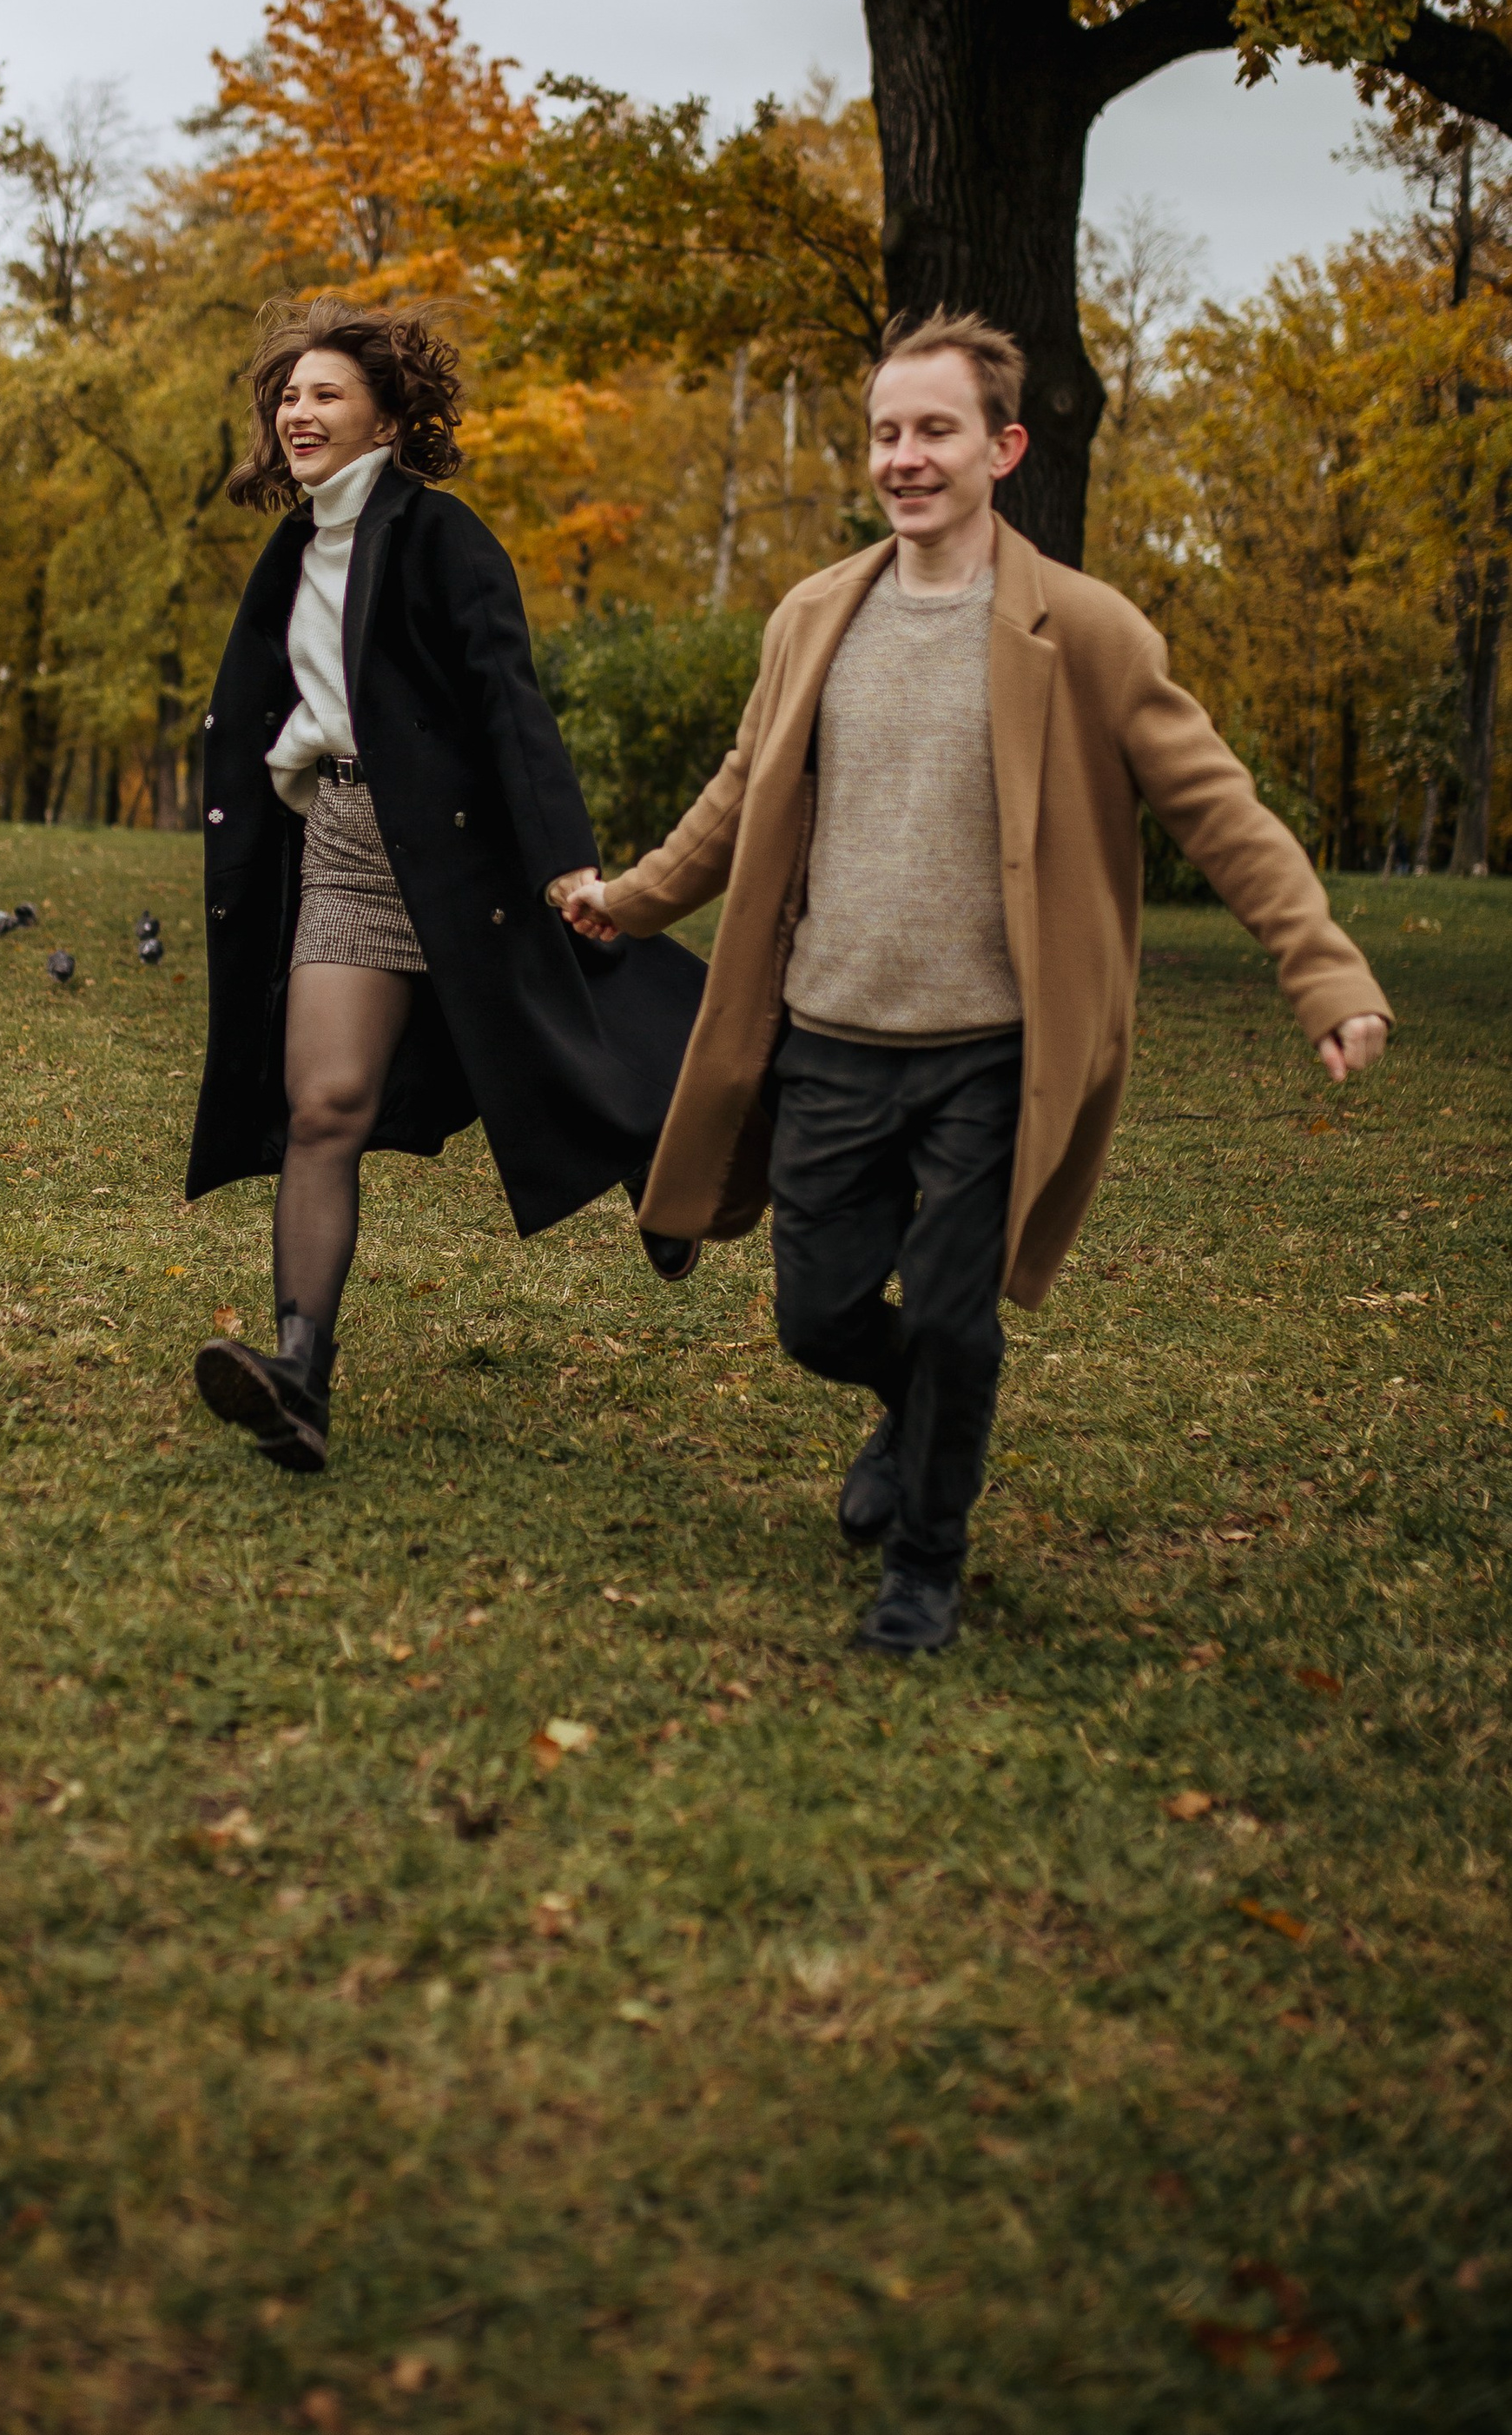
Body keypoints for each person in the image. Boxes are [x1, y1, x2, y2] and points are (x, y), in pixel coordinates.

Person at [559, 308, 1391, 1658]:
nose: (904, 456)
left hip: (994, 1053)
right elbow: (742, 794)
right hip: (829, 1034)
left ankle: (925, 1567)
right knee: (817, 1313)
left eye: (934, 430)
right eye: (886, 432)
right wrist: (634, 895)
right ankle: (910, 1405)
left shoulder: (1092, 632)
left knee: (955, 1314)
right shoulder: (814, 615)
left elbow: (1220, 811)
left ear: (1002, 448)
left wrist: (1326, 972)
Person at [187, 294, 707, 1472]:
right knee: (322, 1107)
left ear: (388, 412)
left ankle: (659, 1175)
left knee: (569, 1028)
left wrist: (564, 855)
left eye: (324, 390)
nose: (297, 408)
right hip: (352, 847)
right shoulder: (292, 550)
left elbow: (507, 700)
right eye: (286, 394)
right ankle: (298, 1378)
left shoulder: (443, 535)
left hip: (469, 847)